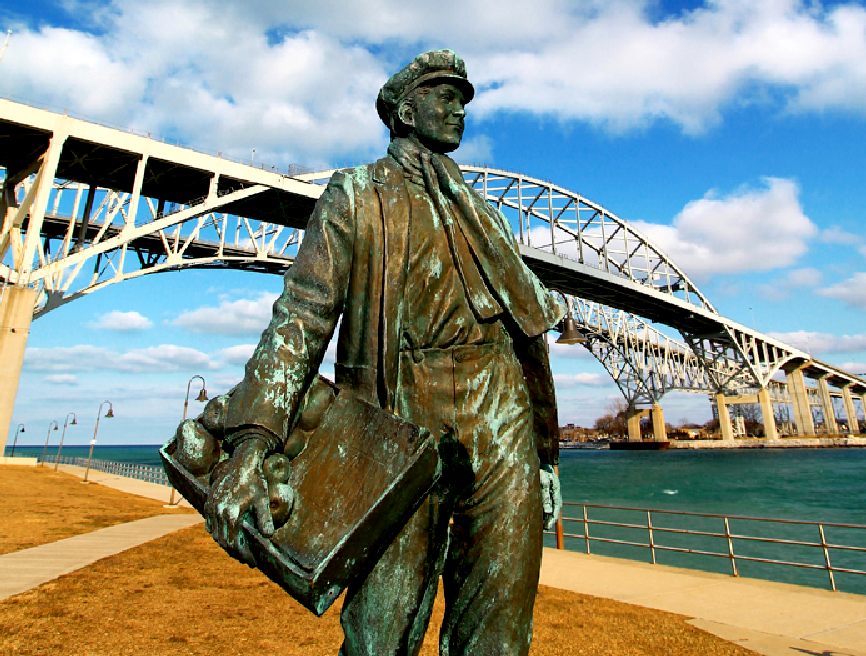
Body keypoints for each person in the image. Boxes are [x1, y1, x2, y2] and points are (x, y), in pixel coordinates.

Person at [204, 49, 565, 656]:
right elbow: (301, 318)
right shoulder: (355, 193)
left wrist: (546, 455)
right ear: (403, 110)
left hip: (501, 418)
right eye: (443, 96)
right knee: (380, 630)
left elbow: (525, 336)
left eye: (464, 100)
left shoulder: (487, 216)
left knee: (501, 626)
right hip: (400, 415)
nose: (458, 110)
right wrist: (252, 442)